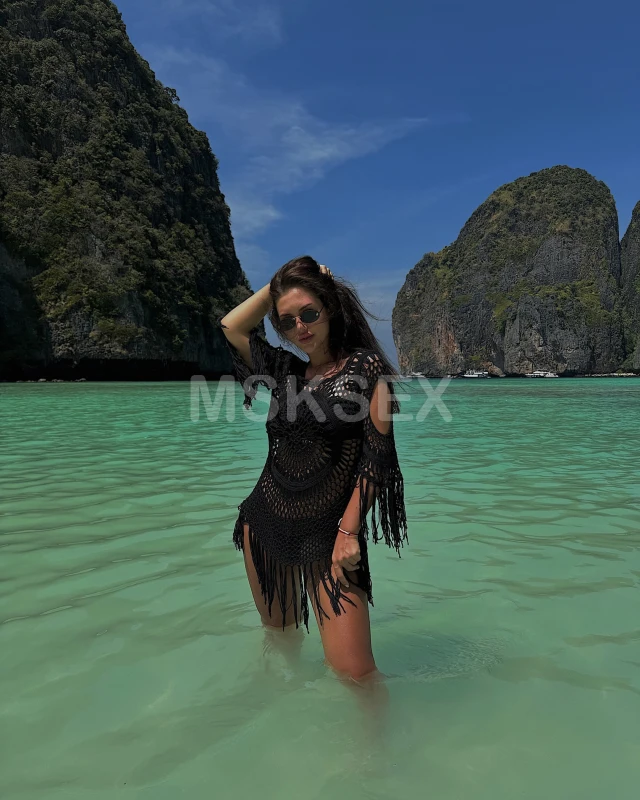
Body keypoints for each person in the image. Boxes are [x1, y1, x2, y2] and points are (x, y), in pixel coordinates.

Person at [218, 255, 408, 684]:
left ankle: (373, 736)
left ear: (330, 308)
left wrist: (349, 532)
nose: (300, 327)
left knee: (357, 675)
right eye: (287, 322)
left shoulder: (365, 369)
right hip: (265, 526)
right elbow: (231, 326)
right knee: (282, 643)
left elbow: (376, 459)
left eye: (309, 313)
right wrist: (279, 286)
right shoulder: (283, 371)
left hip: (329, 538)